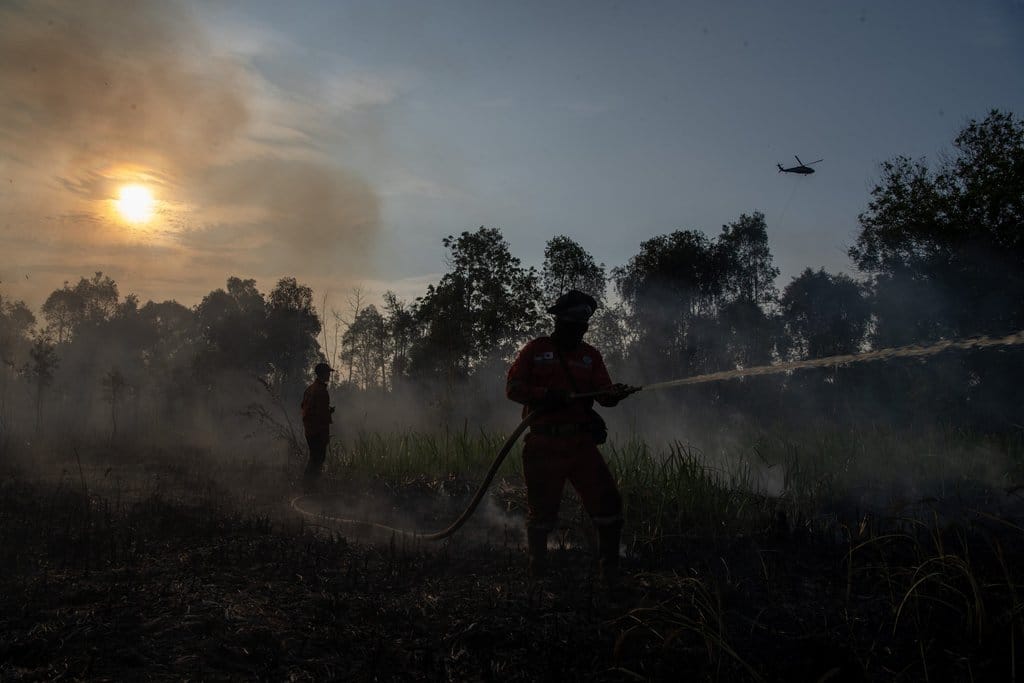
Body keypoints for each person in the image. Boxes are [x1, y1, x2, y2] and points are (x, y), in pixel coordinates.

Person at [506, 290, 638, 584]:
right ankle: (538, 576)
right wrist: (545, 395)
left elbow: (603, 393)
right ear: (560, 320)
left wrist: (614, 394)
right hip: (544, 444)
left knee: (608, 505)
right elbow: (513, 387)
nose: (579, 329)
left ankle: (611, 575)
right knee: (543, 514)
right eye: (573, 322)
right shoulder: (535, 350)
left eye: (583, 324)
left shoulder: (591, 357)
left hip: (580, 445)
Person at [301, 362, 335, 491]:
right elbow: (321, 415)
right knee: (318, 460)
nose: (329, 375)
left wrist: (326, 410)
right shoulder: (321, 391)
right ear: (323, 374)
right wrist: (329, 412)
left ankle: (309, 487)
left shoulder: (310, 389)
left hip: (310, 431)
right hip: (318, 432)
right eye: (328, 373)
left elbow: (305, 407)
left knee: (314, 459)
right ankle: (309, 488)